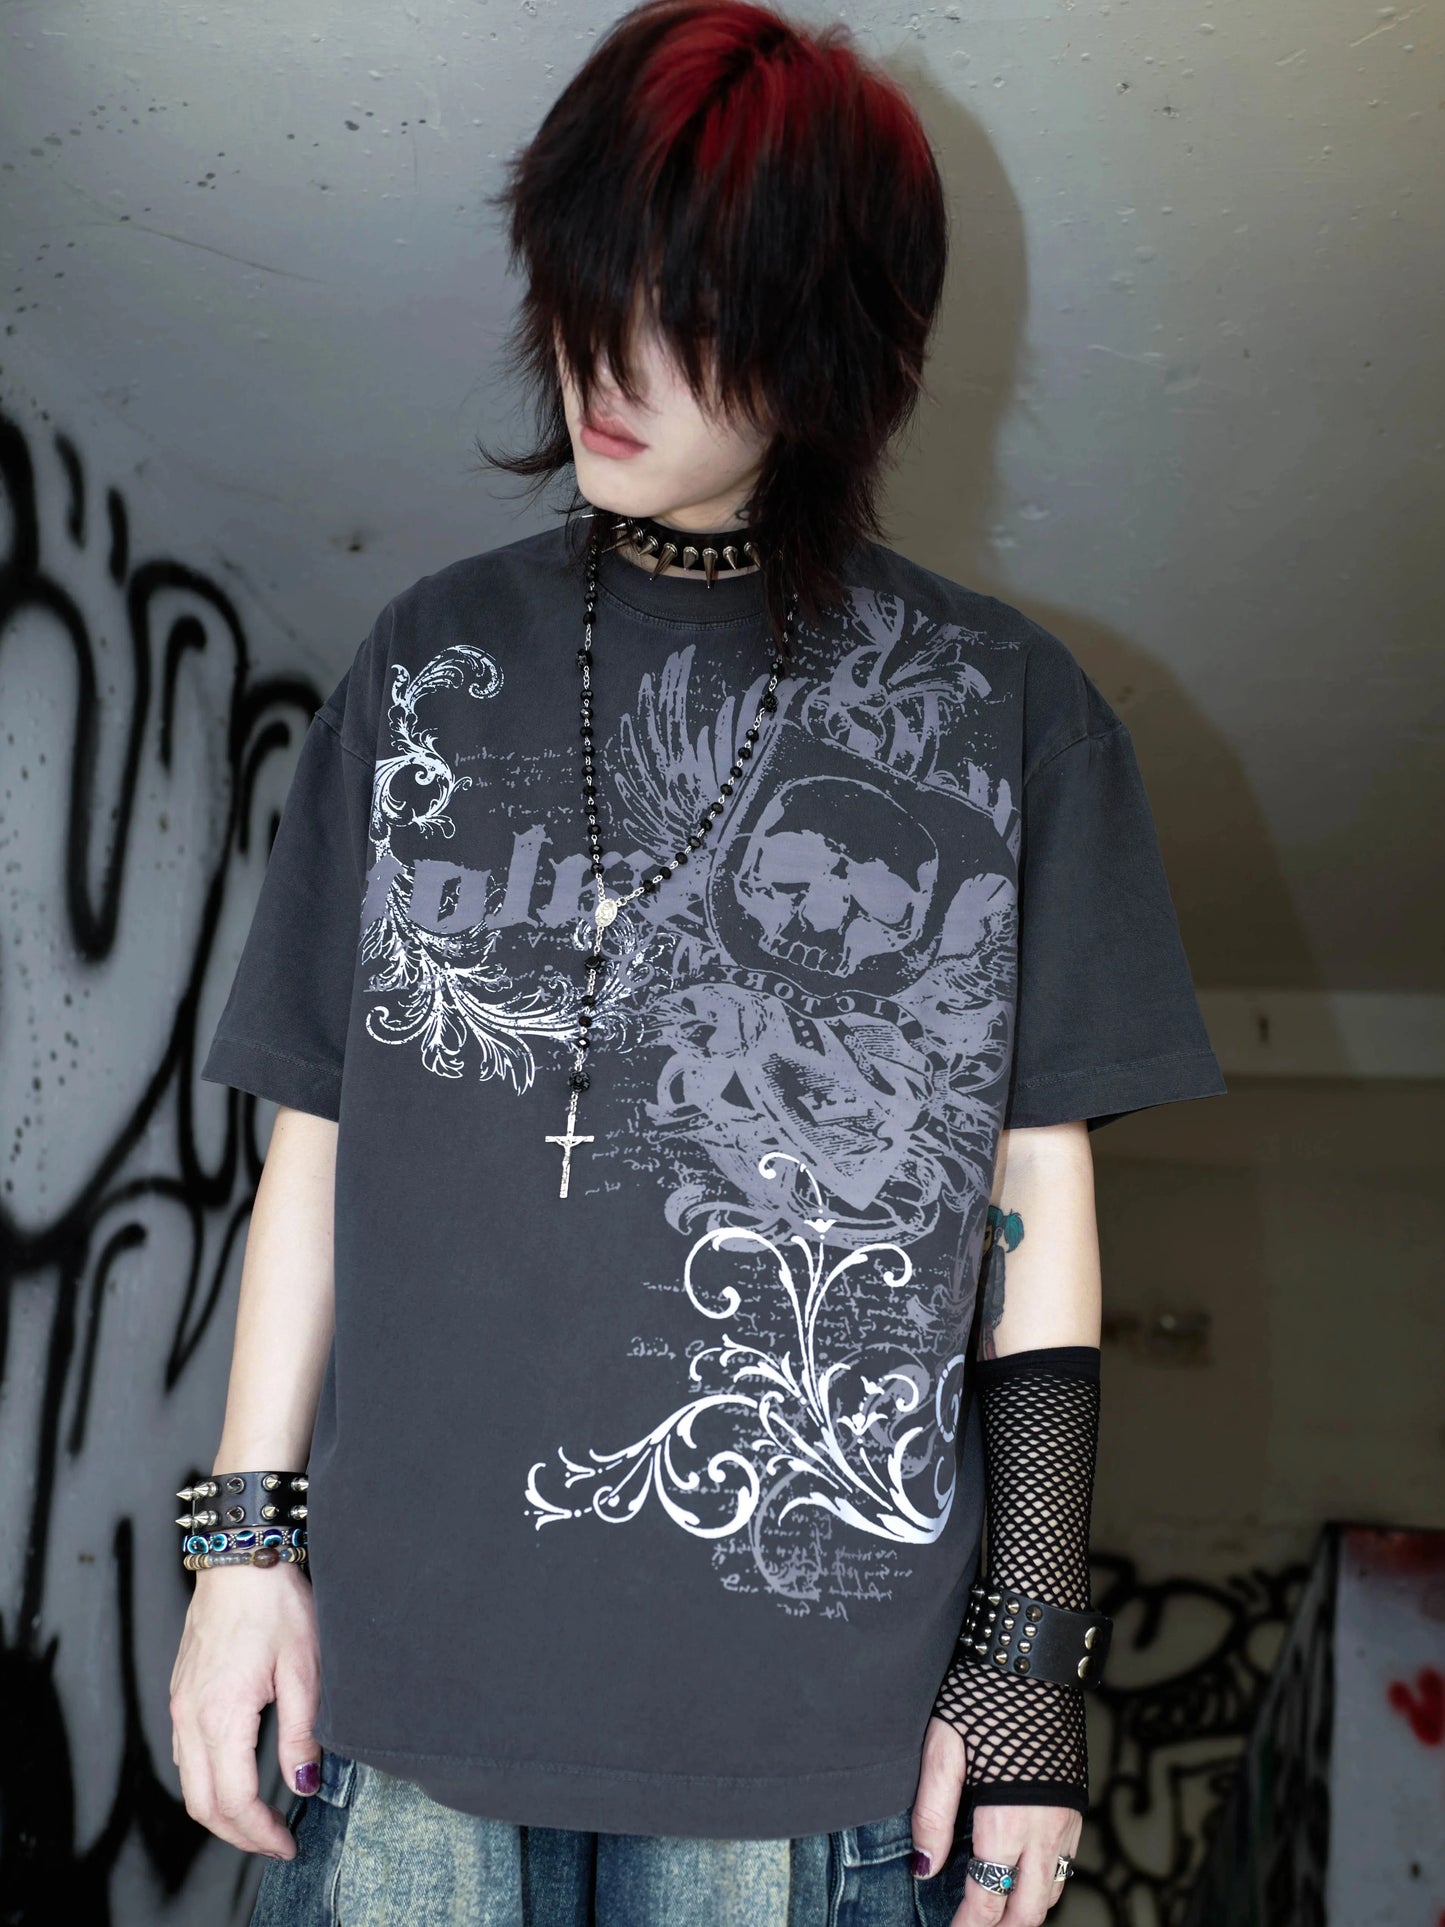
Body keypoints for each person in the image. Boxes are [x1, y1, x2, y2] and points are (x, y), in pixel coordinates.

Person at [168, 3, 1227, 1923]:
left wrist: (1024, 1667)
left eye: (690, 313)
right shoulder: (425, 668)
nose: (606, 358)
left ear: (835, 348)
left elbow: (1037, 1210)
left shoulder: (1006, 714)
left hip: (807, 1738)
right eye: (588, 287)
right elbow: (314, 1143)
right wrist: (241, 1553)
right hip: (407, 1707)